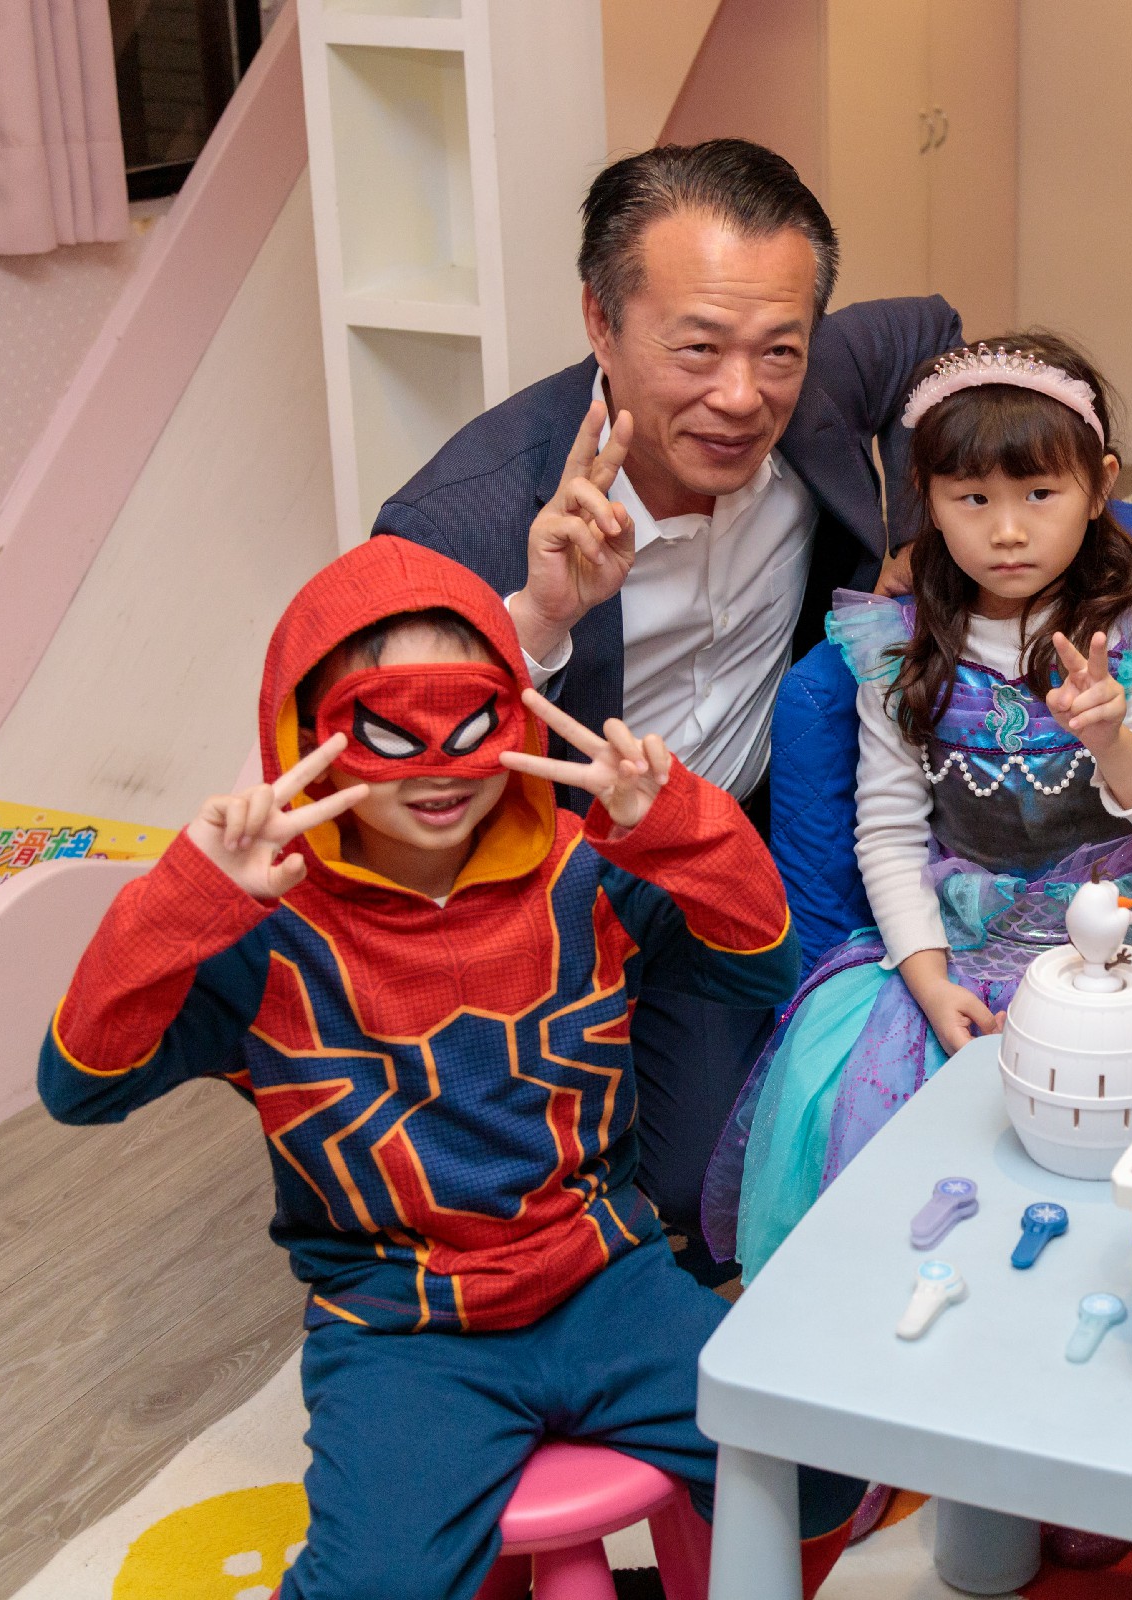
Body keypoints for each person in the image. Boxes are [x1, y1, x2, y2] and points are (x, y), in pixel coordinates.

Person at [35, 539, 867, 1600]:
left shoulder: (584, 871)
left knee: (823, 1458)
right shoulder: (263, 931)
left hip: (607, 1283)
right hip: (401, 1327)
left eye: (469, 721)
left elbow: (761, 964)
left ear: (514, 715)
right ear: (307, 737)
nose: (436, 768)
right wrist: (184, 903)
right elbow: (81, 1085)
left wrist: (678, 828)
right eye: (389, 731)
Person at [375, 139, 962, 1281]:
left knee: (705, 1182)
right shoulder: (459, 523)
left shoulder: (816, 389)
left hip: (721, 858)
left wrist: (913, 527)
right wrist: (541, 621)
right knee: (495, 1197)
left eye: (777, 349)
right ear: (601, 321)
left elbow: (933, 332)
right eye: (696, 348)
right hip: (533, 895)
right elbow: (392, 800)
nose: (741, 396)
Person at [703, 332, 1132, 1278]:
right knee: (893, 1137)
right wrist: (925, 980)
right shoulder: (898, 643)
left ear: (1099, 486)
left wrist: (1112, 740)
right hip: (962, 947)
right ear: (929, 499)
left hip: (1121, 955)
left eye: (1039, 494)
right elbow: (886, 832)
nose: (1007, 532)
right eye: (972, 500)